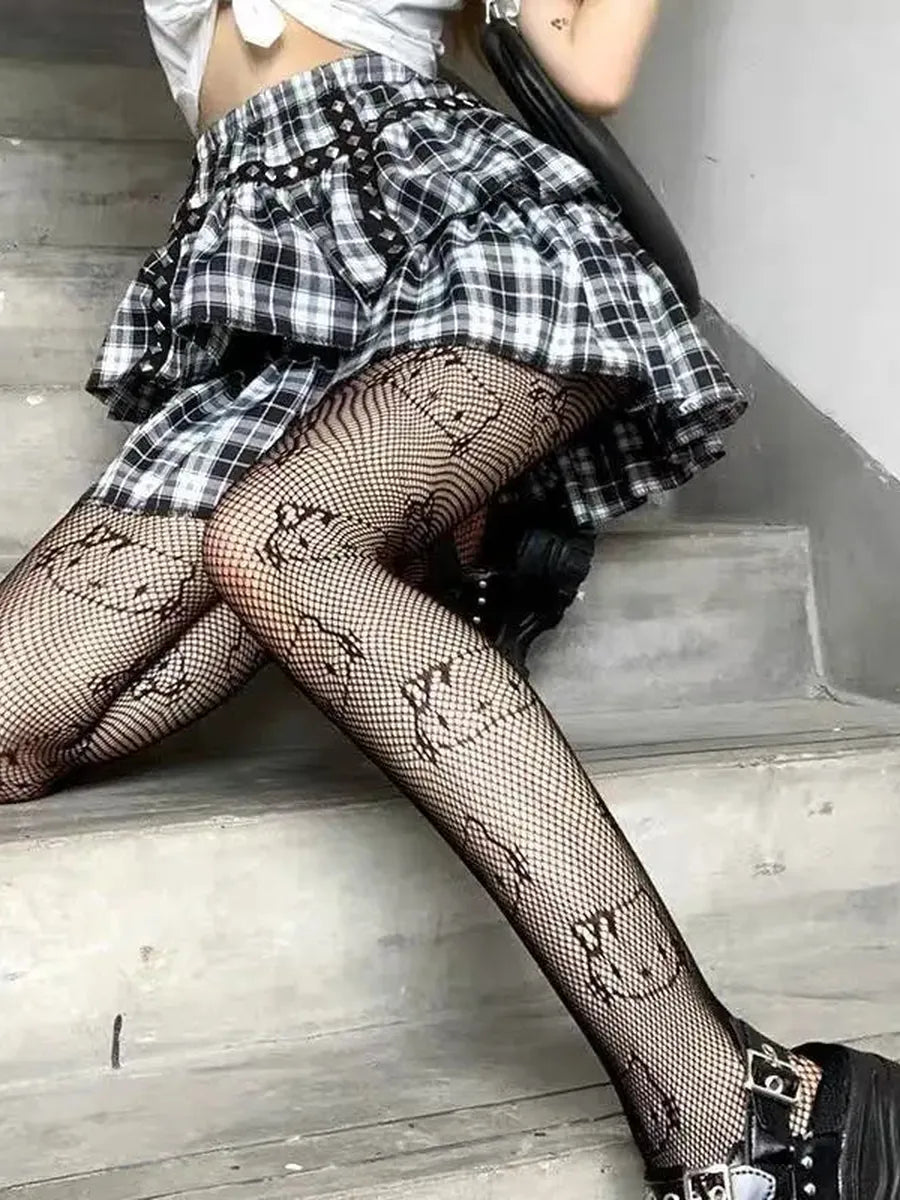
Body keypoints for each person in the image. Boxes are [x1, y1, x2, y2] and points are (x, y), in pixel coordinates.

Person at [1, 0, 896, 1194]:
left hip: (456, 217)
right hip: (272, 275)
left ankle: (736, 1106)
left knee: (281, 543)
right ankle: (448, 532)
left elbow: (590, 66)